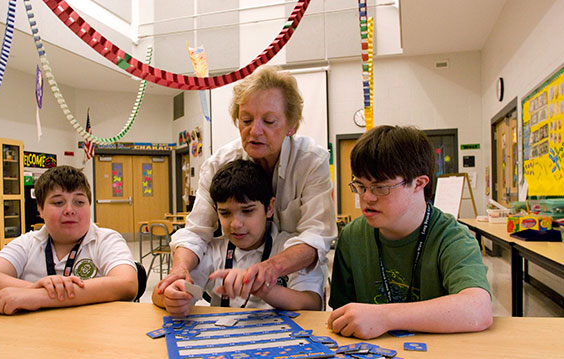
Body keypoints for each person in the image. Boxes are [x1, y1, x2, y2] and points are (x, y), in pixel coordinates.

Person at [159, 65, 337, 297]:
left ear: (291, 126)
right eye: (246, 120)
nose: (255, 131)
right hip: (236, 267)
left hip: (295, 283)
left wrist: (268, 269)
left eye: (269, 121)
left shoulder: (311, 161)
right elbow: (196, 232)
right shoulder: (218, 164)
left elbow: (318, 236)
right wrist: (180, 269)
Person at [328, 125, 492, 339]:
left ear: (419, 183)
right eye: (360, 186)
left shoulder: (451, 236)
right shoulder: (352, 237)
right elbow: (342, 315)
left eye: (381, 187)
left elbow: (478, 308)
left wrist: (386, 317)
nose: (367, 197)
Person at [153, 160, 324, 316]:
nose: (235, 224)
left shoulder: (290, 249)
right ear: (215, 210)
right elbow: (158, 294)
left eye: (248, 211)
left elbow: (313, 303)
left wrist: (263, 289)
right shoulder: (211, 250)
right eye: (225, 213)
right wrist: (170, 297)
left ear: (270, 208)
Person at [0, 165, 138, 315]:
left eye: (79, 202)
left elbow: (127, 284)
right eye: (58, 203)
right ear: (40, 210)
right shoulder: (28, 242)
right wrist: (33, 289)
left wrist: (40, 297)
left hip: (92, 330)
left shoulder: (106, 240)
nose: (70, 210)